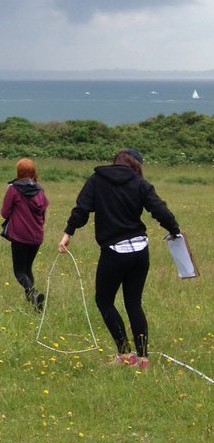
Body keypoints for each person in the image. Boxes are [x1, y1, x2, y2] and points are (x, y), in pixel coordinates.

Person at [58, 149, 180, 368]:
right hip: (140, 251)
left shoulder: (97, 180)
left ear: (114, 162)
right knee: (134, 303)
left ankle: (125, 355)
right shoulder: (140, 184)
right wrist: (174, 231)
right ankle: (143, 359)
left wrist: (68, 234)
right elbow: (160, 210)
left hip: (114, 252)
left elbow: (82, 209)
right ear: (136, 165)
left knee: (104, 301)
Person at [0, 158, 49, 310]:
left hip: (20, 236)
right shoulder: (40, 190)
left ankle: (33, 294)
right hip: (36, 236)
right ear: (33, 172)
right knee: (28, 268)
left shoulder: (14, 189)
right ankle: (33, 302)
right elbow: (43, 215)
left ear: (19, 172)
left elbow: (4, 212)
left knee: (19, 272)